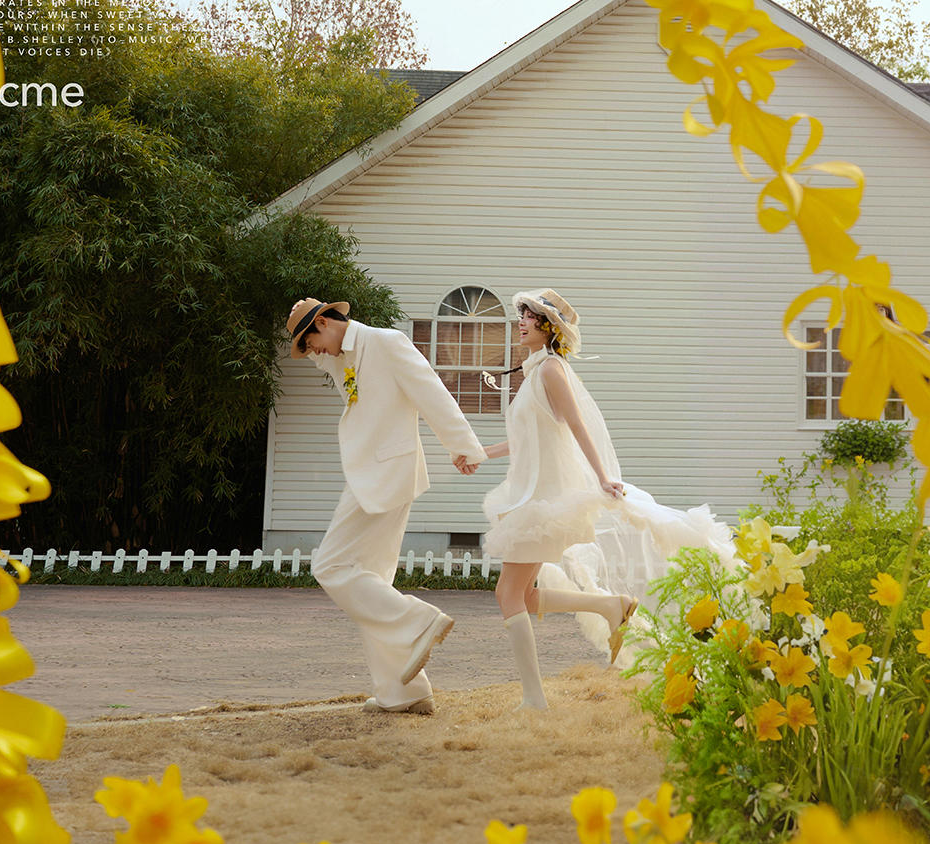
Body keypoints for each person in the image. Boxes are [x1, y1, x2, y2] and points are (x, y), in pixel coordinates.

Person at [481, 289, 732, 710]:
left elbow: (577, 425)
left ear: (549, 327)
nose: (520, 321)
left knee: (508, 594)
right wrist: (481, 454)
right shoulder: (536, 371)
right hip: (532, 496)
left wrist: (603, 478)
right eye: (521, 313)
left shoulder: (551, 370)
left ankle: (534, 698)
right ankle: (611, 606)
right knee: (523, 596)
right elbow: (528, 437)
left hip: (542, 501)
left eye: (530, 315)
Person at [286, 297, 485, 715]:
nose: (311, 352)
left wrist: (463, 446)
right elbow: (329, 355)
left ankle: (417, 622)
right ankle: (404, 691)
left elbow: (431, 393)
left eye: (308, 341)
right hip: (375, 475)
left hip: (385, 473)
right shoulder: (341, 356)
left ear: (324, 322)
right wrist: (315, 339)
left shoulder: (387, 342)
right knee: (371, 585)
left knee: (330, 566)